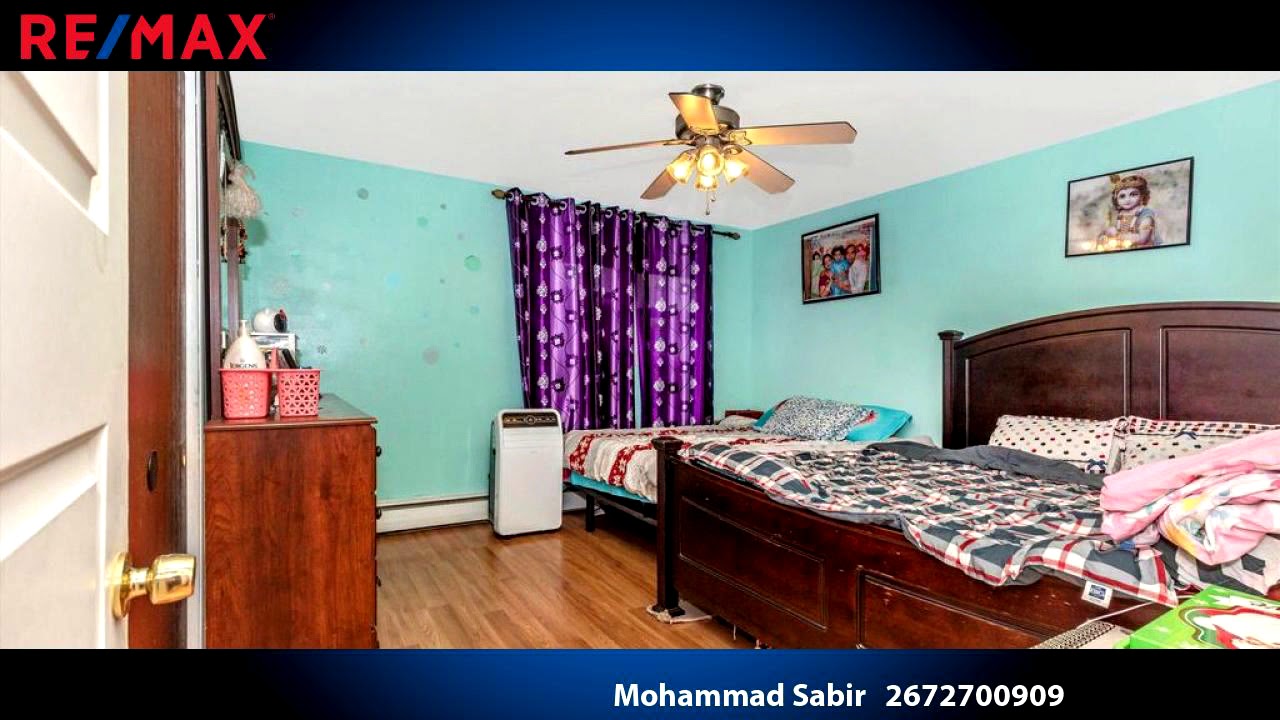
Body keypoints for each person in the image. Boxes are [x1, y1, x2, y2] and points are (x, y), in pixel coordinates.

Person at [1096, 174, 1160, 251]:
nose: (1127, 200)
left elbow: (1143, 239)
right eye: (1122, 196)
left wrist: (1117, 235)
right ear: (1116, 199)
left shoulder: (1145, 214)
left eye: (1133, 194)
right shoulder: (1119, 214)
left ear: (1142, 196)